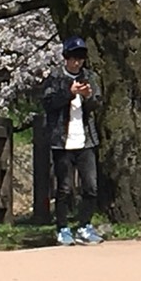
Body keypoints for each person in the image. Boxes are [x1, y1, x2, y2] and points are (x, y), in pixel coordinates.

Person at [41, 37, 104, 246]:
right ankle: (62, 228)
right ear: (65, 58)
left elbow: (96, 104)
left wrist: (87, 97)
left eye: (80, 58)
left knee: (91, 186)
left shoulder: (90, 77)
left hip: (86, 140)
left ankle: (85, 225)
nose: (77, 62)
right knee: (64, 188)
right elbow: (48, 103)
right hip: (62, 141)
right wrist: (70, 93)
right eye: (73, 58)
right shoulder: (55, 77)